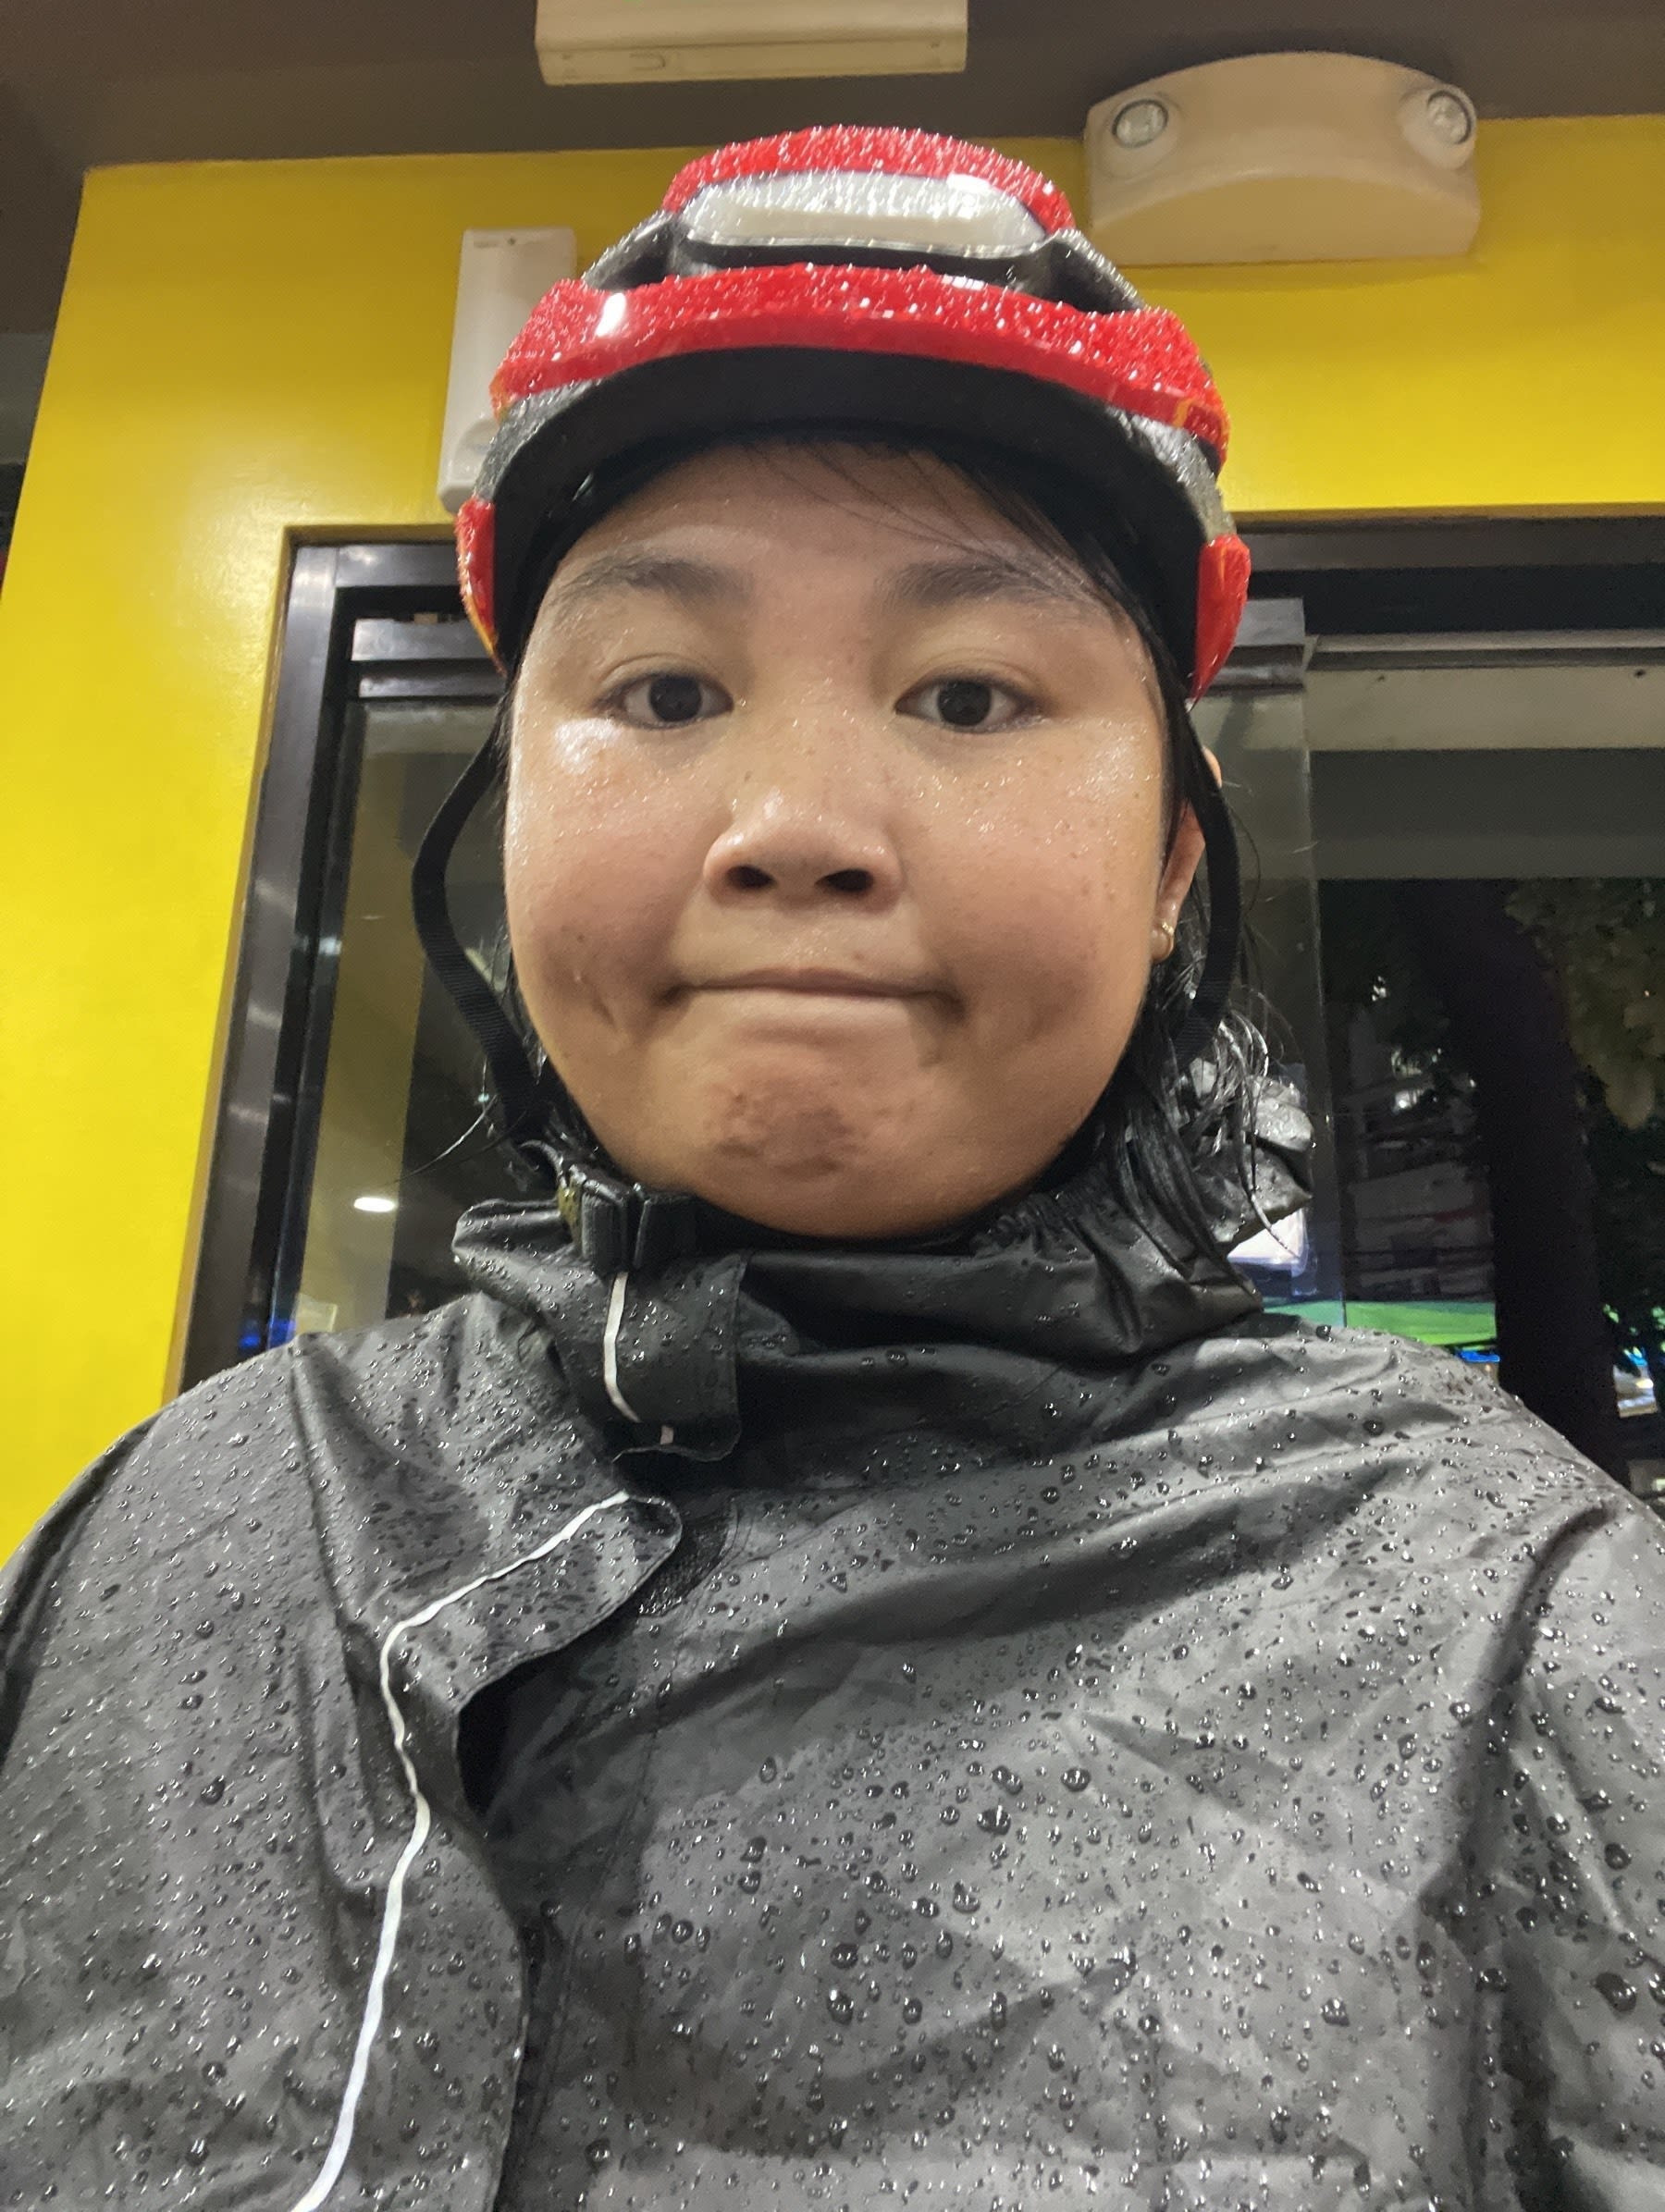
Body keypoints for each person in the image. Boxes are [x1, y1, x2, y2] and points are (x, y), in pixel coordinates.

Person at [2, 128, 1662, 2212]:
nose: (794, 820)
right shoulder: (192, 1517)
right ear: (515, 816)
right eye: (665, 689)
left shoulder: (1517, 1620)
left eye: (969, 693)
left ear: (1173, 861)